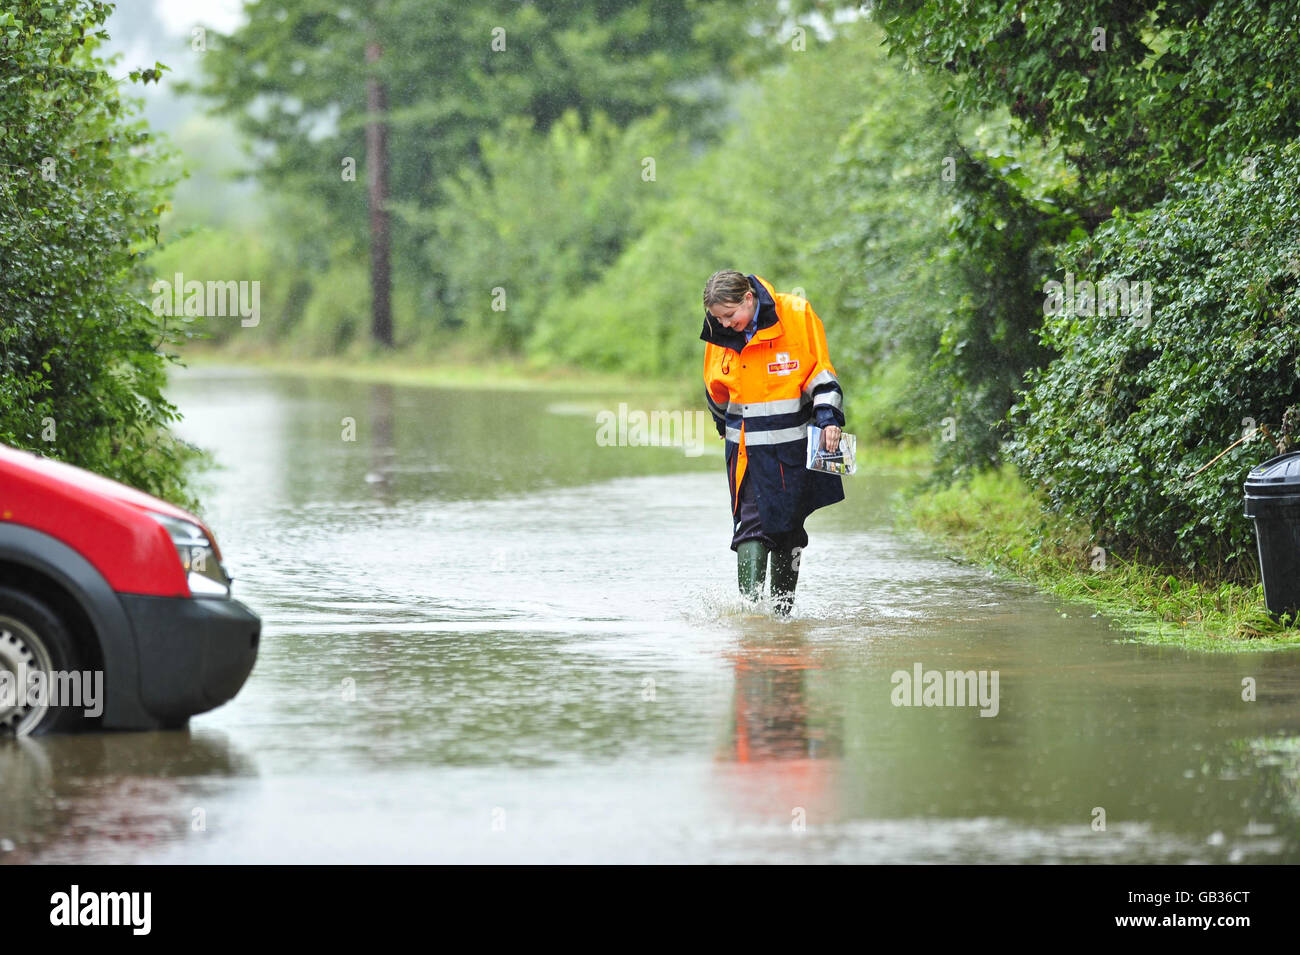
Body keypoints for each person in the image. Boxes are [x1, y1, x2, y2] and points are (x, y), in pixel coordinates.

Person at [700, 270, 846, 615]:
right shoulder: (720, 332)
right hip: (746, 453)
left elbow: (821, 374)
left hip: (793, 449)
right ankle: (750, 614)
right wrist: (722, 424)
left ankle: (781, 616)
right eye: (717, 318)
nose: (724, 324)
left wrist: (828, 420)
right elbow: (714, 389)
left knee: (789, 531)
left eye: (729, 316)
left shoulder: (797, 314)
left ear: (748, 299)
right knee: (749, 528)